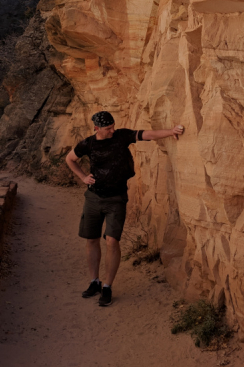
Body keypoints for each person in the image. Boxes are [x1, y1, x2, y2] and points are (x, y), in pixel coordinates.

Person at [65, 110, 184, 306]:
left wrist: (171, 131)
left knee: (112, 241)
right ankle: (94, 281)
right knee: (92, 239)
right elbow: (70, 159)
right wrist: (83, 177)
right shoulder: (88, 143)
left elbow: (147, 134)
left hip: (116, 199)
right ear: (97, 129)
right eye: (108, 128)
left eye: (113, 126)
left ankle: (107, 286)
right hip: (93, 198)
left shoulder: (120, 136)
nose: (112, 130)